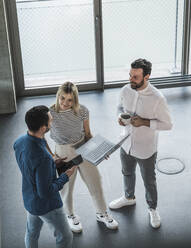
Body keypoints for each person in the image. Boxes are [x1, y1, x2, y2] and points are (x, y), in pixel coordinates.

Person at [109, 58, 173, 228]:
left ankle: (152, 208)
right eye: (130, 75)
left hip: (146, 149)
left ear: (147, 77)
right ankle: (128, 198)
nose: (131, 79)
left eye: (135, 77)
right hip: (125, 143)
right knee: (127, 173)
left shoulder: (158, 98)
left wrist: (145, 122)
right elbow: (119, 107)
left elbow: (168, 125)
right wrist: (119, 118)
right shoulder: (125, 90)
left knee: (149, 181)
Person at [49, 82, 118, 233]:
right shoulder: (51, 113)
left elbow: (88, 134)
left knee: (96, 181)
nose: (65, 103)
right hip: (63, 153)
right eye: (62, 98)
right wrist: (52, 155)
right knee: (66, 187)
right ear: (58, 96)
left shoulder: (83, 111)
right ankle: (69, 215)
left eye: (69, 100)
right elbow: (41, 136)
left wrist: (99, 150)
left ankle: (102, 213)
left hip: (82, 148)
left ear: (75, 100)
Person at [13, 105, 74, 248]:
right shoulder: (43, 158)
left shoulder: (19, 142)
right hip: (47, 205)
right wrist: (65, 176)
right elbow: (45, 192)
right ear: (42, 128)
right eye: (51, 121)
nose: (52, 122)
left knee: (31, 233)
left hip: (30, 200)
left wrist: (53, 164)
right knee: (65, 236)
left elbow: (30, 167)